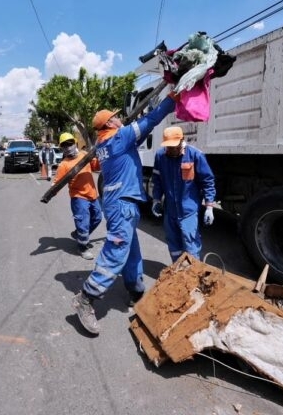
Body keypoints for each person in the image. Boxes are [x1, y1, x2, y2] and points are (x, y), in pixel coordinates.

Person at [72, 93, 177, 335]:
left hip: (117, 202)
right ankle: (87, 296)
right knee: (117, 251)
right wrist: (172, 97)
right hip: (122, 204)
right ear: (109, 124)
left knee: (130, 250)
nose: (120, 120)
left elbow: (137, 138)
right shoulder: (119, 138)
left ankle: (136, 291)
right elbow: (153, 119)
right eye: (116, 118)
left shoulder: (105, 144)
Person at [151, 126, 217, 262]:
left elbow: (207, 181)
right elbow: (157, 180)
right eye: (168, 147)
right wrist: (156, 200)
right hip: (170, 211)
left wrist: (209, 206)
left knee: (191, 245)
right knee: (173, 245)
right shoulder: (160, 156)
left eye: (174, 146)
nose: (171, 150)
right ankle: (178, 272)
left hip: (189, 211)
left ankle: (192, 276)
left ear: (182, 141)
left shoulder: (195, 155)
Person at [53, 132, 103, 260]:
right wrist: (51, 191)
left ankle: (80, 235)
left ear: (75, 143)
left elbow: (95, 166)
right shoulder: (63, 165)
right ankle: (82, 247)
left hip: (92, 194)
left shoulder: (84, 155)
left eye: (70, 143)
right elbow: (57, 183)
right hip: (78, 197)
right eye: (65, 145)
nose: (68, 147)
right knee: (83, 222)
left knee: (97, 217)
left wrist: (100, 158)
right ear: (62, 148)